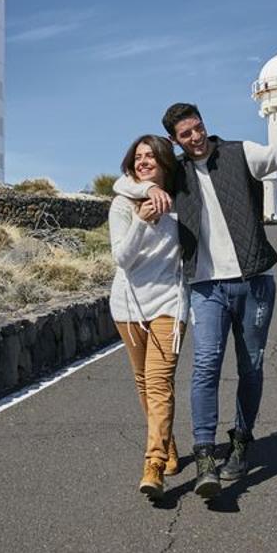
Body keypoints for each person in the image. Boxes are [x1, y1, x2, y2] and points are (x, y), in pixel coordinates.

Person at [115, 102, 277, 498]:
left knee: (251, 367)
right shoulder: (177, 174)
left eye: (198, 128)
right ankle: (205, 454)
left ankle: (241, 441)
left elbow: (273, 156)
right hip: (206, 287)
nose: (195, 138)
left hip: (255, 281)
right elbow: (127, 181)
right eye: (185, 134)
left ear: (204, 125)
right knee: (205, 366)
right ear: (175, 140)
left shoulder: (239, 153)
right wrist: (152, 187)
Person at [108, 134, 189, 502]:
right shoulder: (122, 204)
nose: (143, 162)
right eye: (138, 157)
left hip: (169, 305)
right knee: (143, 382)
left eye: (151, 157)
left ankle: (153, 465)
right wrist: (142, 218)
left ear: (164, 163)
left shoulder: (183, 201)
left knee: (159, 383)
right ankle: (167, 445)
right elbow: (122, 259)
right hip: (128, 307)